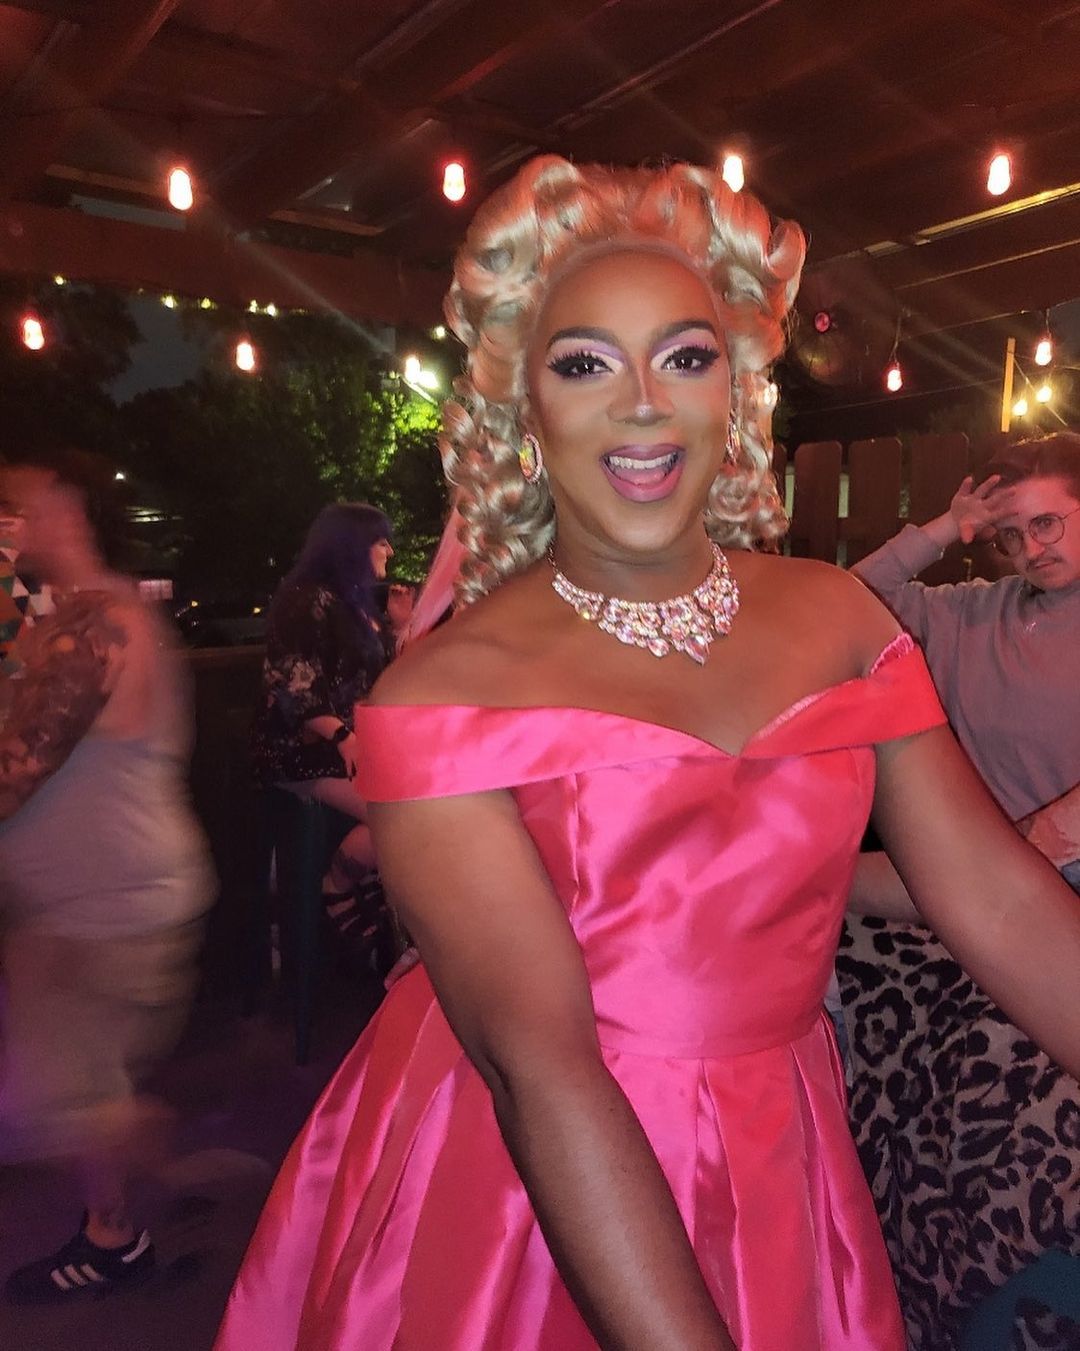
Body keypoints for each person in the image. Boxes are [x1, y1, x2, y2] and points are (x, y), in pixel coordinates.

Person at [215, 157, 1080, 1351]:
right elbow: (541, 1068)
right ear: (524, 408)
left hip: (775, 1145)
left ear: (734, 392)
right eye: (584, 365)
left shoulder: (840, 618)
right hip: (528, 1182)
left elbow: (998, 897)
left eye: (685, 357)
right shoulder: (443, 693)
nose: (641, 405)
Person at [841, 435, 1080, 1348]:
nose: (1030, 549)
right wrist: (945, 528)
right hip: (950, 886)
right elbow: (849, 599)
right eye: (1012, 534)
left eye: (1048, 523)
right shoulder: (971, 610)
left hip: (1045, 891)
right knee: (816, 929)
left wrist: (1038, 843)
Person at [0, 449, 214, 1301]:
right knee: (66, 1089)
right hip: (79, 904)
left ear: (67, 509)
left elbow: (18, 766)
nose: (8, 519)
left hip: (109, 908)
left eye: (20, 503)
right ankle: (144, 1184)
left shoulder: (99, 626)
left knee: (46, 1101)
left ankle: (122, 1228)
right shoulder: (62, 618)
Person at [251, 503, 394, 941]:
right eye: (380, 541)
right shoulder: (306, 599)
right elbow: (291, 681)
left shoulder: (352, 603)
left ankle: (368, 893)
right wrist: (344, 737)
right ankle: (338, 888)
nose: (389, 550)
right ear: (353, 545)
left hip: (345, 746)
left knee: (421, 801)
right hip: (303, 750)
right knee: (397, 815)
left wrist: (402, 627)